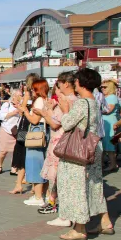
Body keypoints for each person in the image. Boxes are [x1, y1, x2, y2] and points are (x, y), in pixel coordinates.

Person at [56, 68, 114, 240]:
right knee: (95, 186)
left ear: (80, 83)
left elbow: (66, 124)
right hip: (94, 148)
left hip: (79, 151)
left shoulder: (82, 103)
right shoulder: (94, 102)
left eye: (76, 81)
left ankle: (79, 228)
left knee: (77, 187)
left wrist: (65, 109)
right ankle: (105, 222)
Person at [35, 73, 77, 222]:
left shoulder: (67, 101)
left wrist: (44, 113)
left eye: (58, 86)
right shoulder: (75, 100)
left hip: (60, 142)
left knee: (58, 177)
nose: (56, 90)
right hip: (64, 142)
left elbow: (55, 123)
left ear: (65, 84)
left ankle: (61, 210)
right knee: (59, 177)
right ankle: (54, 203)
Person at [19, 79, 50, 206]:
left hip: (36, 134)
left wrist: (25, 111)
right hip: (45, 132)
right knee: (43, 164)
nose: (31, 91)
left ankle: (38, 197)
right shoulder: (46, 100)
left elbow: (34, 120)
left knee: (35, 163)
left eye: (33, 89)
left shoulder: (39, 101)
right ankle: (46, 195)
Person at [9, 73, 40, 194]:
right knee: (33, 154)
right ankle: (33, 185)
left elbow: (21, 112)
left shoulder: (28, 94)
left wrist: (20, 104)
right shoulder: (38, 95)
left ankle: (19, 184)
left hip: (25, 125)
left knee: (21, 153)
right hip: (34, 126)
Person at [0, 89, 22, 174]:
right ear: (14, 96)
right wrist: (13, 113)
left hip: (16, 130)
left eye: (21, 95)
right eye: (19, 95)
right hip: (6, 129)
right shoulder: (7, 105)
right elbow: (1, 116)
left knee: (16, 151)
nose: (20, 97)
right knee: (3, 151)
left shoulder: (22, 105)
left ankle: (13, 168)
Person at [100, 79, 120, 173]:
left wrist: (97, 109)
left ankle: (112, 164)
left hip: (109, 122)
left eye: (105, 87)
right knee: (105, 144)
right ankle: (103, 163)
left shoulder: (112, 97)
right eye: (102, 87)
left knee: (109, 144)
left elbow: (108, 110)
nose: (102, 88)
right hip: (105, 122)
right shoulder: (106, 97)